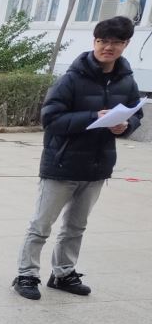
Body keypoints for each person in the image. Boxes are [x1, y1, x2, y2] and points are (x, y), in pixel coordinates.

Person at [12, 16, 142, 300]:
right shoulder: (72, 78)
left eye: (116, 42)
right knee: (41, 225)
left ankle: (63, 273)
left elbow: (136, 113)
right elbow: (50, 119)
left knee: (76, 227)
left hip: (97, 166)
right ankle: (26, 274)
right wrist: (94, 117)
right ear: (94, 41)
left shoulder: (126, 80)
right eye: (102, 41)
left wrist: (125, 125)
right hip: (62, 164)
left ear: (126, 44)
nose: (108, 47)